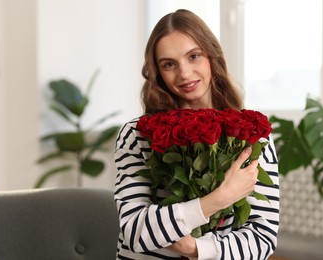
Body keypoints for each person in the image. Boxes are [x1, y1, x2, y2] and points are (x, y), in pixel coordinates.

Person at [114, 9, 279, 260]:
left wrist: (196, 249)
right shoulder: (137, 135)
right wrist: (218, 199)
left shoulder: (253, 134)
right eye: (169, 64)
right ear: (157, 72)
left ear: (211, 56)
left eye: (194, 56)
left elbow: (262, 236)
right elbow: (135, 231)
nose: (184, 74)